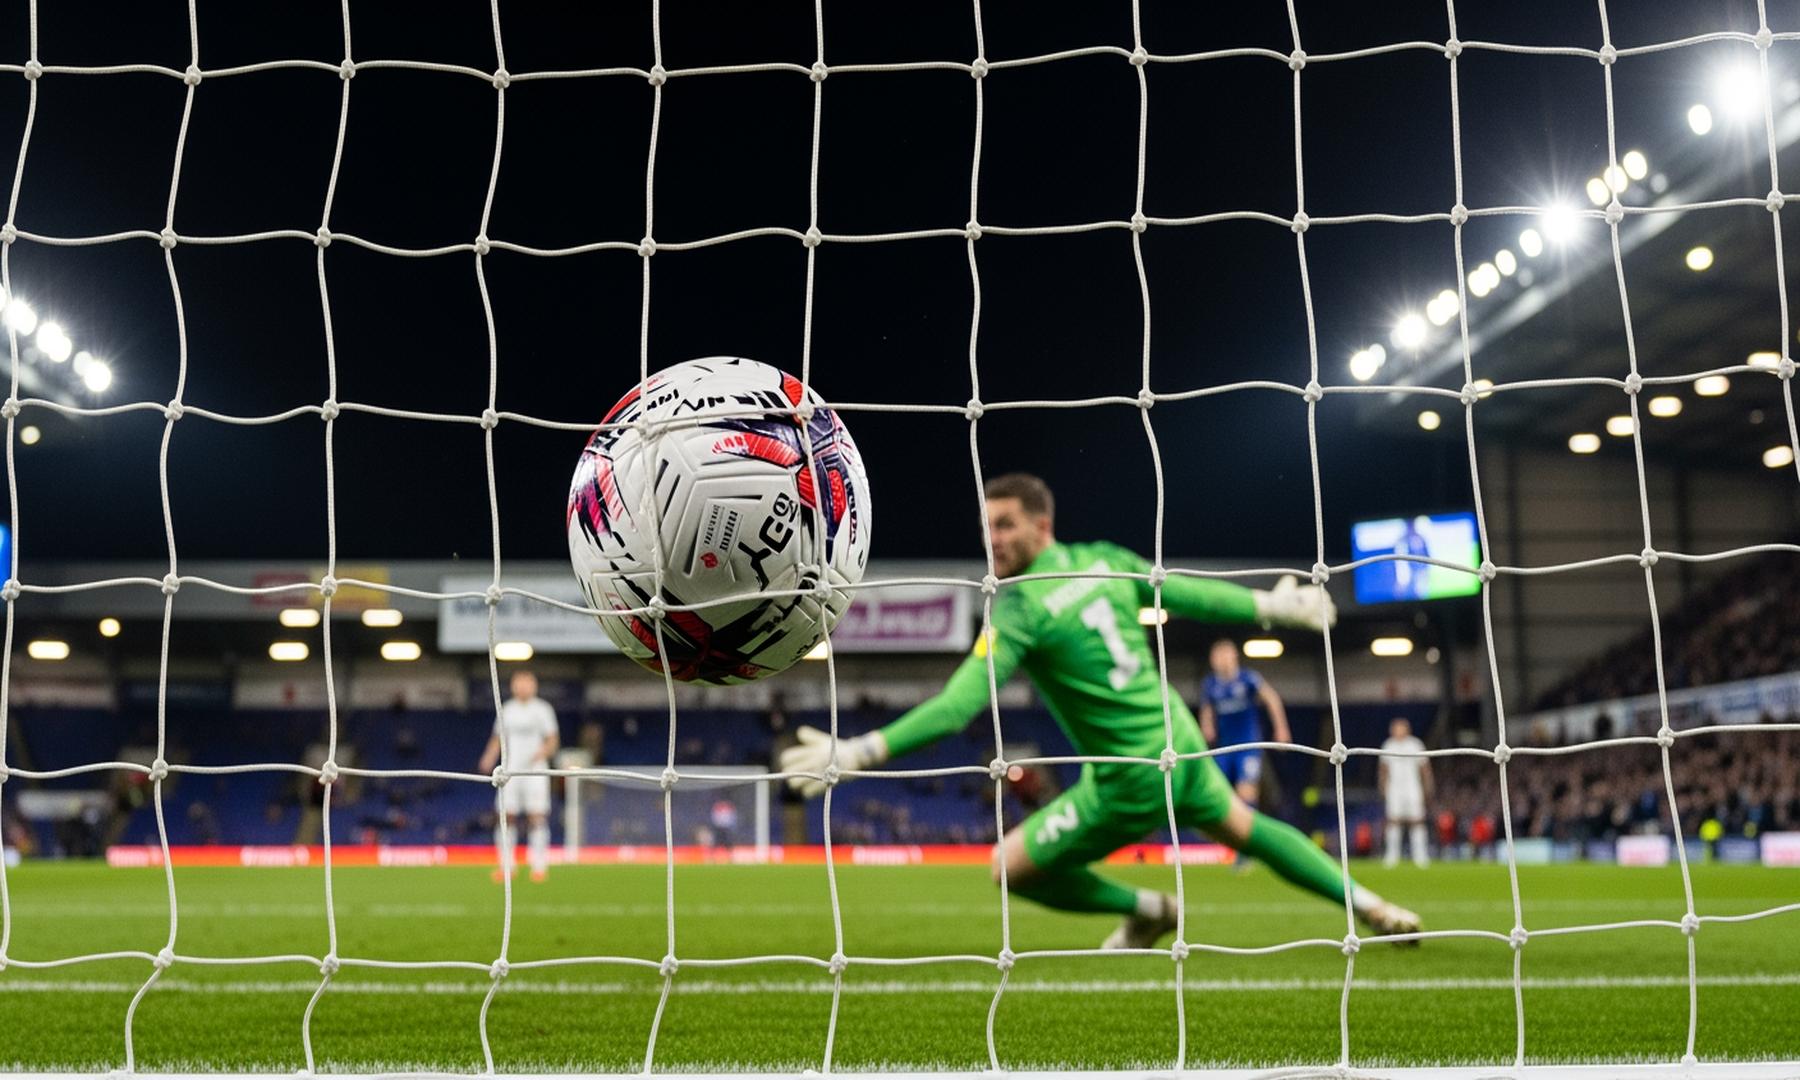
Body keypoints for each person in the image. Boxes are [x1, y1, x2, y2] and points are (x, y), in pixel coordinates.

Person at [781, 473, 1420, 948]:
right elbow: (1187, 593)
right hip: (1180, 740)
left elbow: (958, 708)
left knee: (1009, 867)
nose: (992, 539)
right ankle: (1369, 903)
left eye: (1004, 525)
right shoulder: (1105, 560)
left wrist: (859, 751)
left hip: (1132, 778)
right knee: (1246, 829)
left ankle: (1147, 908)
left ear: (1041, 526)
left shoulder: (1021, 606)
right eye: (987, 527)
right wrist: (1270, 608)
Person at [478, 669, 560, 883]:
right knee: (506, 817)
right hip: (510, 769)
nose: (523, 687)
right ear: (513, 686)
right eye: (519, 683)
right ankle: (507, 866)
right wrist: (488, 758)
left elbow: (552, 740)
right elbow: (497, 738)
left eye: (527, 683)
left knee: (537, 817)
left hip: (535, 771)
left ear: (534, 685)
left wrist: (542, 752)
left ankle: (539, 866)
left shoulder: (542, 709)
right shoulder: (507, 709)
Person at [1198, 639, 1291, 807]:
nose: (1222, 660)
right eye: (1217, 657)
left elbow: (1272, 699)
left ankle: (1246, 830)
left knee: (1246, 793)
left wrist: (1281, 729)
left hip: (1248, 747)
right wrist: (1207, 727)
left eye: (1225, 655)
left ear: (1234, 656)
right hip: (1223, 748)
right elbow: (1207, 709)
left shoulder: (1248, 678)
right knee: (1218, 794)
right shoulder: (1210, 684)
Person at [1379, 717, 1433, 869]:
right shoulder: (1388, 745)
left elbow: (1425, 769)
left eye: (1400, 728)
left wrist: (1427, 787)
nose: (1398, 731)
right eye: (1395, 728)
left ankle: (1420, 856)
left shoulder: (1415, 744)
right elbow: (1383, 770)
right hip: (1394, 788)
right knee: (1393, 820)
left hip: (1413, 787)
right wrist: (1383, 787)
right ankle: (1392, 856)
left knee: (1417, 820)